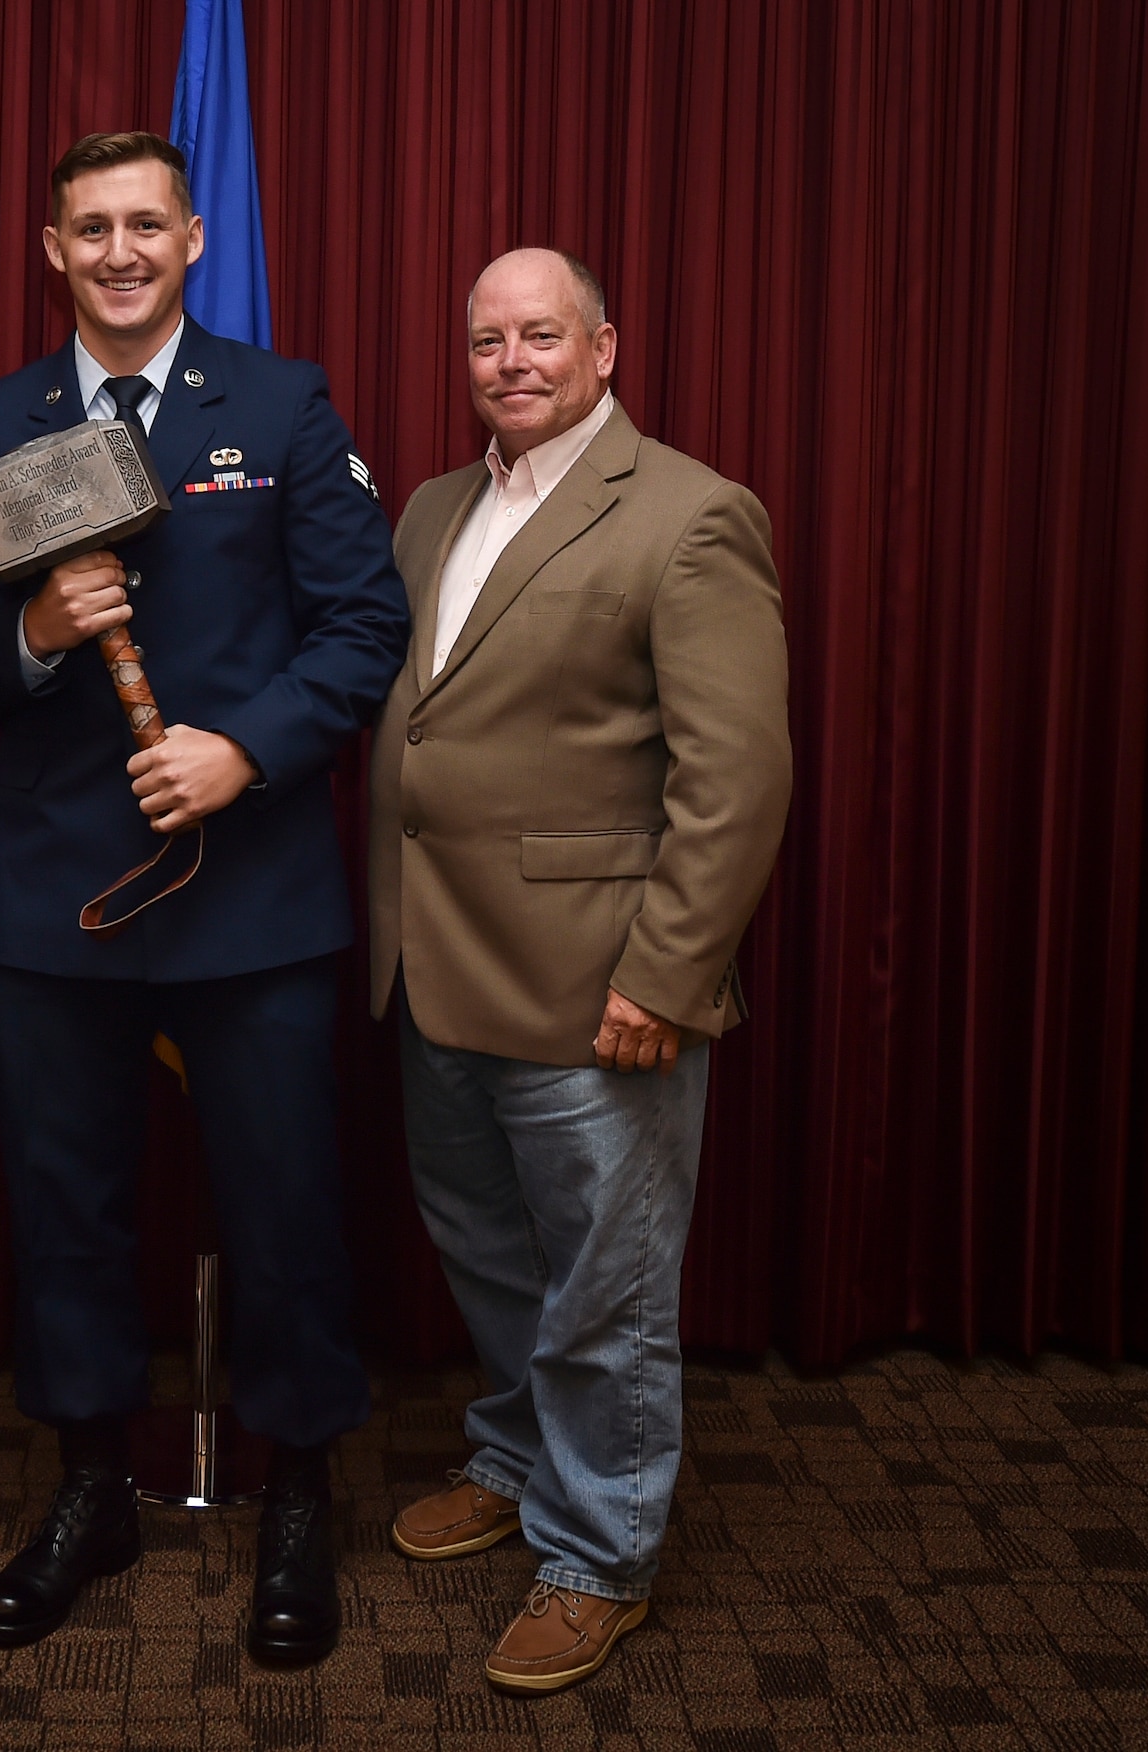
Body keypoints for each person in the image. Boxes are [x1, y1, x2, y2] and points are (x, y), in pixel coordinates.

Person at [0, 132, 409, 1666]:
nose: (121, 250)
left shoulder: (278, 403)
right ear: (50, 247)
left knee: (286, 1211)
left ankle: (296, 1494)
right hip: (60, 900)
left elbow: (362, 625)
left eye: (148, 224)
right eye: (92, 228)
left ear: (194, 239)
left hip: (253, 885)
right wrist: (35, 637)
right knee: (66, 1215)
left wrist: (244, 752)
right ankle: (90, 1487)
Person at [369, 248, 792, 1693]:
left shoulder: (689, 514)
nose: (512, 362)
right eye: (487, 339)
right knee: (491, 1253)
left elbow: (736, 779)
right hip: (437, 968)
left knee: (606, 1287)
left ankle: (600, 1554)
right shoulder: (433, 508)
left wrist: (666, 978)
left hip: (600, 987)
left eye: (541, 335)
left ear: (604, 348)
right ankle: (520, 1458)